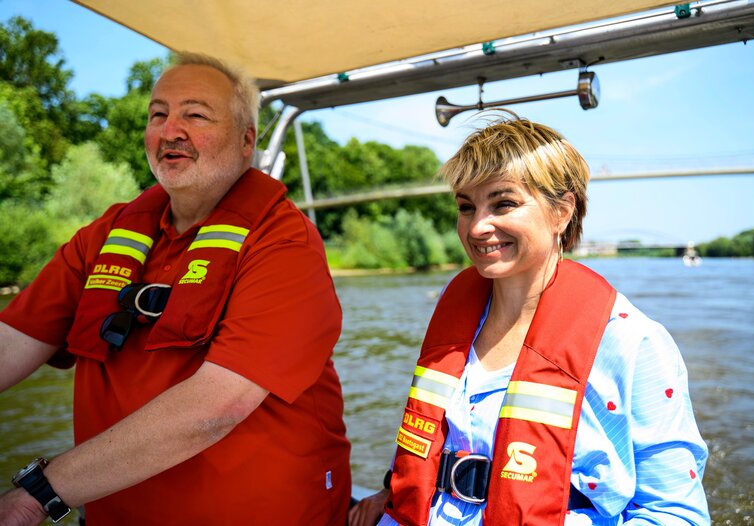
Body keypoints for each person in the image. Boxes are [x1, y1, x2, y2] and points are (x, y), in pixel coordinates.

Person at [0, 52, 351, 525]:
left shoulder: (284, 241)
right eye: (158, 114)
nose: (170, 130)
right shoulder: (105, 236)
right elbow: (9, 346)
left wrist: (36, 494)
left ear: (247, 141)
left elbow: (216, 406)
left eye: (195, 114)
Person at [349, 114, 709, 525]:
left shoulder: (633, 343)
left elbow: (678, 514)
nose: (478, 226)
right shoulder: (456, 321)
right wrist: (391, 492)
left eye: (503, 203)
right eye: (466, 207)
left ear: (562, 212)